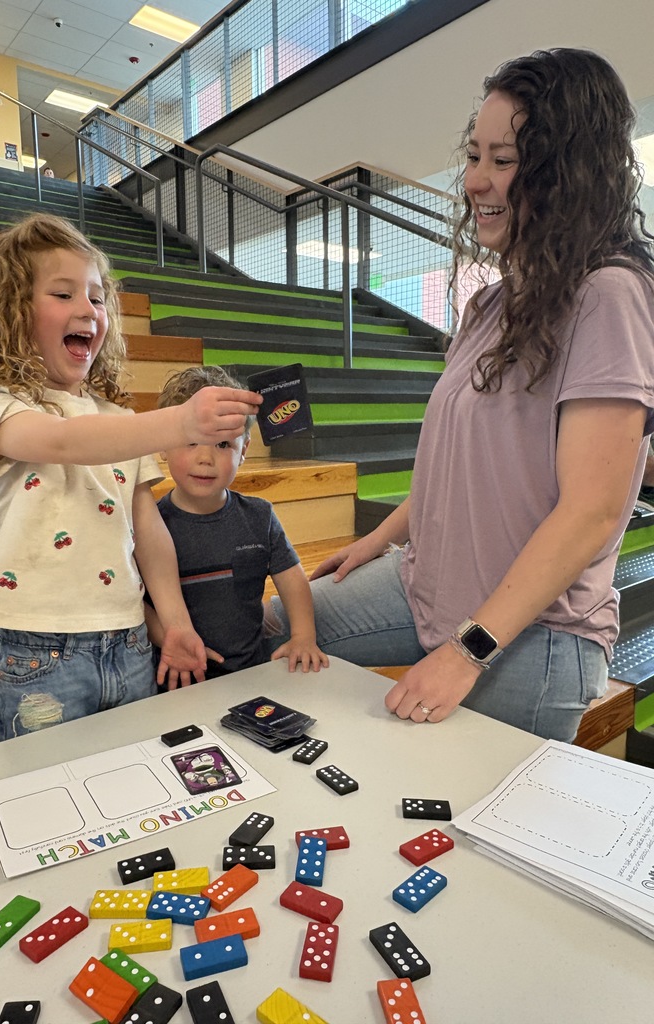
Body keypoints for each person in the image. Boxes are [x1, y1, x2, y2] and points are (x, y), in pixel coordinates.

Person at [265, 48, 654, 742]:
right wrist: (376, 542)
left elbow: (592, 512)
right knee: (268, 624)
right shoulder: (490, 306)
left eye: (503, 160)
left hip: (532, 637)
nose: (475, 180)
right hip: (422, 590)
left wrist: (467, 651)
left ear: (567, 171)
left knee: (451, 833)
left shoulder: (608, 296)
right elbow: (467, 473)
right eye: (474, 156)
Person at [0, 214, 261, 741]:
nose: (86, 310)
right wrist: (179, 422)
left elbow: (147, 530)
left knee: (132, 769)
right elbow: (63, 442)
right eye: (63, 295)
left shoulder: (118, 421)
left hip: (129, 637)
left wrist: (176, 622)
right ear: (11, 312)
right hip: (41, 650)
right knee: (41, 782)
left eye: (95, 298)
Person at [146, 365, 328, 683]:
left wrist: (303, 636)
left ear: (243, 450)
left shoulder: (259, 516)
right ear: (164, 442)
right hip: (178, 676)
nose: (205, 458)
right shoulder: (151, 524)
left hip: (251, 672)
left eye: (222, 445)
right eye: (191, 442)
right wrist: (169, 641)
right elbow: (138, 604)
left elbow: (293, 581)